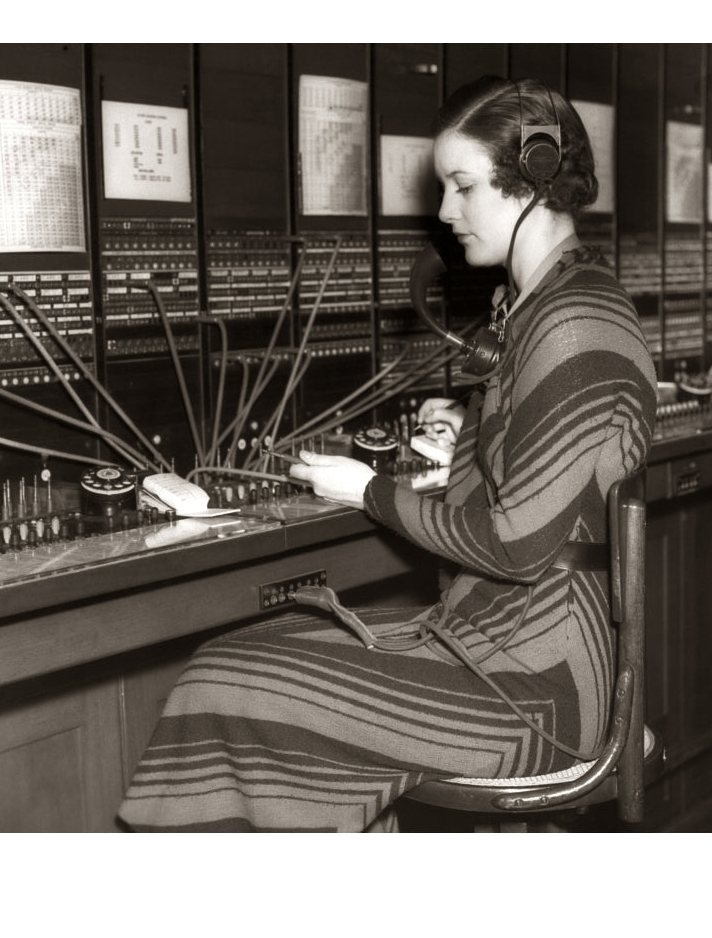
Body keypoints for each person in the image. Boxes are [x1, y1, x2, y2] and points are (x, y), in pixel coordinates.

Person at [117, 76, 657, 831]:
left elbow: (515, 544)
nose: (443, 211)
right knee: (252, 650)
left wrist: (368, 488)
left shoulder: (573, 324)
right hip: (498, 639)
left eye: (462, 185)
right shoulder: (540, 307)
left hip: (538, 686)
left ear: (533, 178)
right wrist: (470, 425)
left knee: (224, 680)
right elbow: (532, 466)